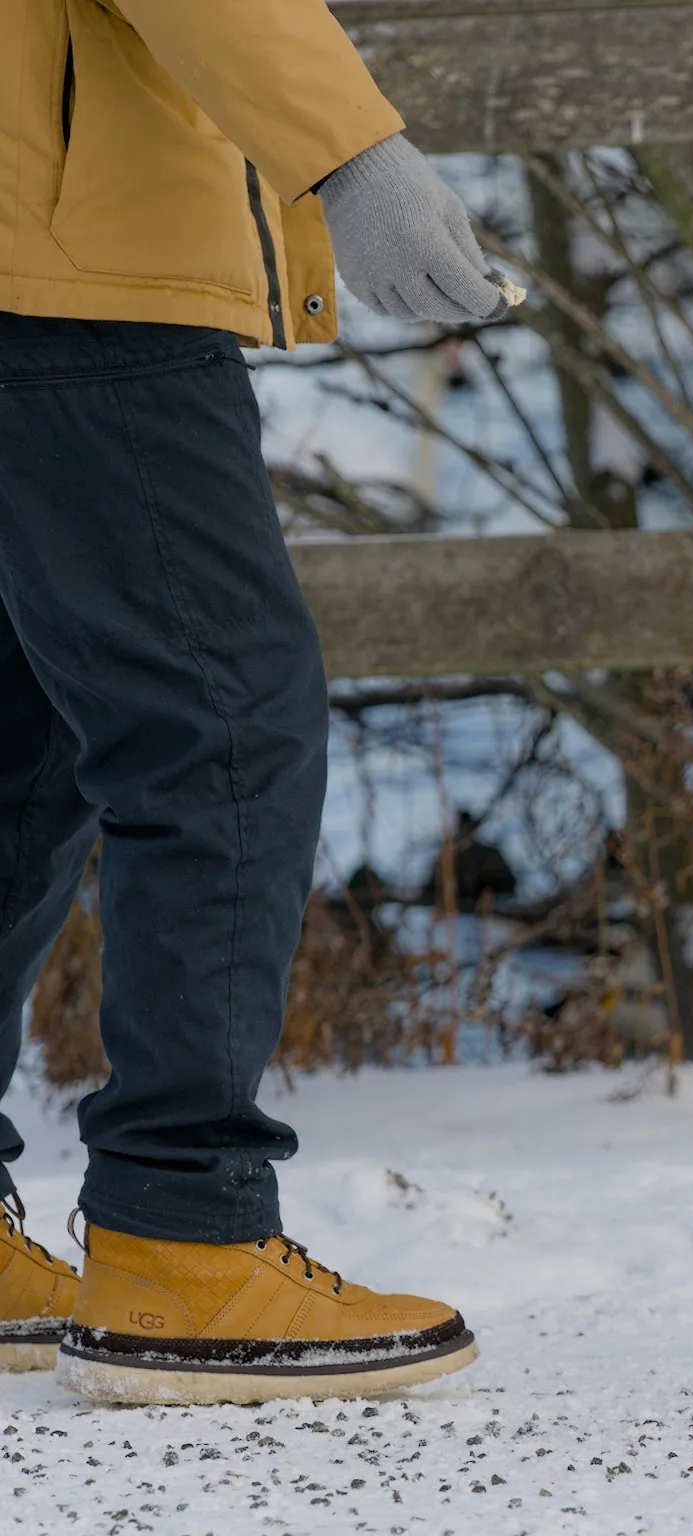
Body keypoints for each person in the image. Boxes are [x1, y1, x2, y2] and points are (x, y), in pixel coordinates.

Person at [0, 0, 507, 1403]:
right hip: (70, 252)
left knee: (25, 743)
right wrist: (350, 156)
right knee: (221, 726)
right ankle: (184, 1235)